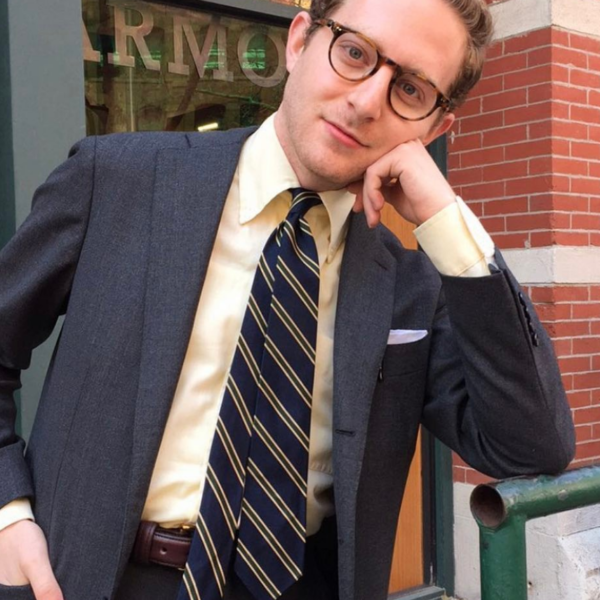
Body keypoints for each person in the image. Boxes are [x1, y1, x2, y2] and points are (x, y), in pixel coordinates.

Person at [0, 0, 575, 599]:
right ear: (299, 41)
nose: (367, 101)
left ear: (433, 129)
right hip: (95, 579)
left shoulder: (411, 284)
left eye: (410, 89)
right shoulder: (119, 180)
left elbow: (530, 445)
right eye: (354, 52)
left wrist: (448, 224)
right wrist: (7, 514)